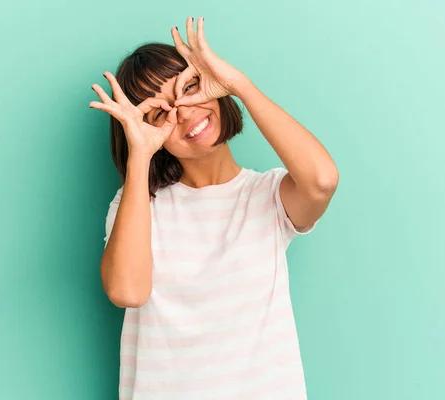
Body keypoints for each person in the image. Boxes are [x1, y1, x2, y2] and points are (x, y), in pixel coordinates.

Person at [90, 16, 339, 400]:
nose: (186, 113)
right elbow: (127, 291)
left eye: (190, 88)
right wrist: (140, 155)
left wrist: (240, 85)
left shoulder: (267, 195)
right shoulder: (137, 204)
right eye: (160, 115)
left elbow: (321, 181)